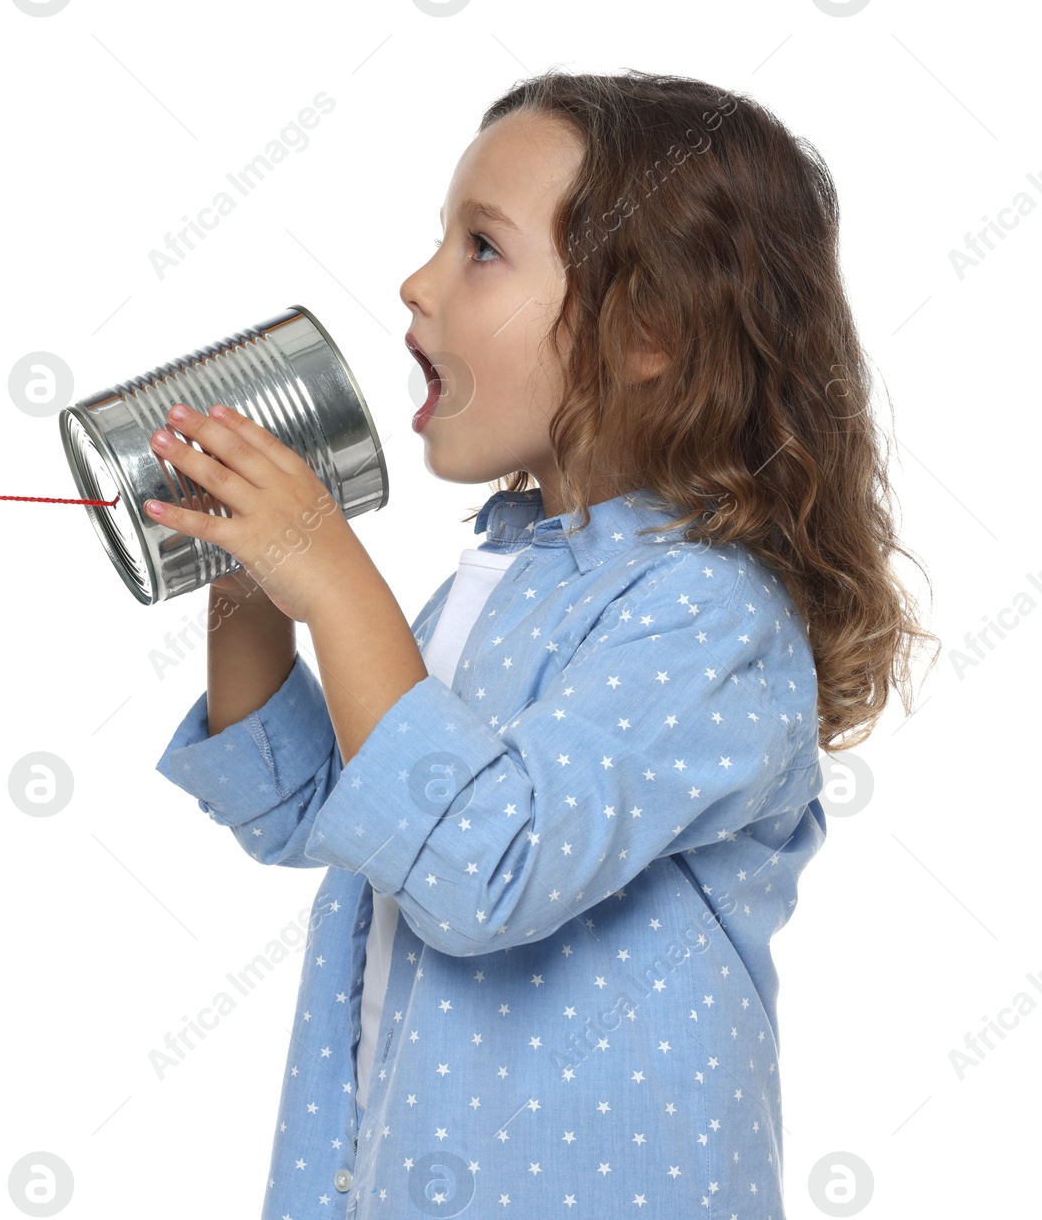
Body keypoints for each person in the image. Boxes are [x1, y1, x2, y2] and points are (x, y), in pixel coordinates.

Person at [146, 70, 937, 1218]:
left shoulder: (710, 616)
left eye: (480, 249)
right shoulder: (506, 575)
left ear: (647, 329)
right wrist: (253, 577)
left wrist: (335, 576)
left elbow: (480, 866)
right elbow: (315, 804)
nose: (416, 283)